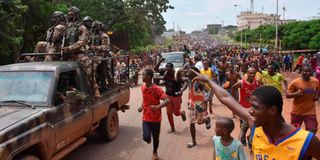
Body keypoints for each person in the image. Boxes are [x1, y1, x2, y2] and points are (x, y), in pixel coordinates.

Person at [192, 71, 320, 160]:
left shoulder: (305, 141)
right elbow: (226, 97)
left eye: (255, 107)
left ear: (272, 110)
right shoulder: (255, 124)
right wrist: (208, 81)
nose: (250, 110)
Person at [61, 6, 101, 98]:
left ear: (75, 15)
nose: (68, 16)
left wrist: (69, 48)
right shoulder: (66, 26)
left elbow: (82, 42)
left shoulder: (81, 27)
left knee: (89, 71)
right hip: (67, 54)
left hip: (79, 53)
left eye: (71, 14)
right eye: (68, 14)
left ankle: (95, 91)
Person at [137, 69, 170, 160]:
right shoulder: (143, 87)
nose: (142, 77)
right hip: (146, 116)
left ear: (149, 77)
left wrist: (158, 107)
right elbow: (145, 99)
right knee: (146, 137)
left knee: (156, 137)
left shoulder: (157, 89)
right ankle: (148, 139)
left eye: (143, 75)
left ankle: (155, 153)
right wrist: (141, 107)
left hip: (156, 117)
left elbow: (167, 100)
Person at [154, 59, 187, 133]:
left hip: (176, 97)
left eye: (169, 68)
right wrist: (160, 61)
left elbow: (185, 82)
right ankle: (172, 128)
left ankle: (182, 113)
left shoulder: (176, 74)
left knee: (176, 113)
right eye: (166, 67)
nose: (167, 69)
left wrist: (181, 91)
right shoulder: (165, 72)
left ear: (172, 68)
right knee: (169, 113)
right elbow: (155, 69)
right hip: (168, 96)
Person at [232, 67, 261, 147]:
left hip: (254, 109)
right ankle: (244, 139)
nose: (252, 75)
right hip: (243, 109)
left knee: (253, 126)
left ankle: (250, 141)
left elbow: (260, 91)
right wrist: (236, 99)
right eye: (250, 73)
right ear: (247, 73)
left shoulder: (257, 82)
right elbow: (233, 88)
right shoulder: (241, 83)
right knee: (244, 127)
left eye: (254, 73)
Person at [286, 65, 319, 134]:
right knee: (294, 131)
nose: (307, 73)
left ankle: (306, 143)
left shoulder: (315, 81)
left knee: (312, 130)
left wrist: (316, 95)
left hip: (310, 111)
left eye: (309, 71)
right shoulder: (295, 82)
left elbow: (318, 89)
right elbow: (287, 95)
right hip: (297, 111)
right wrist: (296, 94)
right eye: (305, 71)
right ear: (301, 72)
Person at [186, 67, 212, 148]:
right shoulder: (189, 81)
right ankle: (194, 141)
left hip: (200, 105)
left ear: (194, 73)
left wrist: (207, 99)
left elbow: (210, 89)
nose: (187, 73)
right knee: (192, 123)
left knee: (200, 122)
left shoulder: (199, 82)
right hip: (192, 105)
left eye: (189, 72)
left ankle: (207, 119)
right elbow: (178, 77)